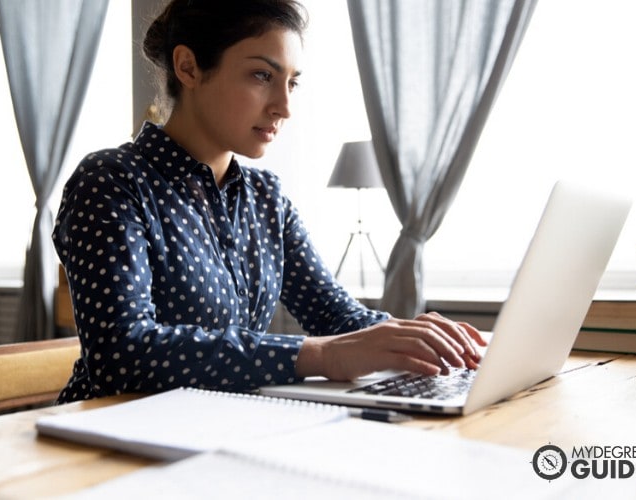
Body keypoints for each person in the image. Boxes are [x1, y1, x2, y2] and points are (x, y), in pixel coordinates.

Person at [52, 0, 486, 404]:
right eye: (263, 76)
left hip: (220, 430)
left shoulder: (266, 198)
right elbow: (122, 356)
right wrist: (320, 355)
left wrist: (427, 339)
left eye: (292, 83)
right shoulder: (111, 181)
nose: (284, 107)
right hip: (103, 446)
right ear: (188, 67)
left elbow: (335, 315)